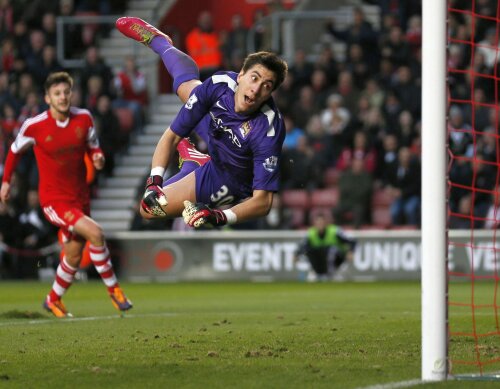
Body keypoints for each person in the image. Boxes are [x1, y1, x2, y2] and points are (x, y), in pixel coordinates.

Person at [116, 17, 288, 229]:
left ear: (270, 93)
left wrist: (219, 216)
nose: (256, 89)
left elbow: (263, 202)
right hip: (216, 131)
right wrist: (154, 181)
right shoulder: (220, 85)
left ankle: (193, 163)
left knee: (148, 210)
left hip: (227, 177)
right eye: (254, 78)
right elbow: (172, 136)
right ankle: (160, 43)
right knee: (186, 87)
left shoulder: (268, 129)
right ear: (241, 75)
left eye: (266, 86)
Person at [0, 71, 132, 318]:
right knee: (96, 233)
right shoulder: (35, 126)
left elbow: (94, 148)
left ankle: (52, 300)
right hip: (53, 200)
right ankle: (114, 290)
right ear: (47, 98)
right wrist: (6, 182)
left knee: (72, 253)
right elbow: (14, 152)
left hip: (80, 198)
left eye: (66, 92)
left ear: (71, 93)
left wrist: (98, 157)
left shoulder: (84, 119)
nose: (62, 97)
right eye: (57, 93)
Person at [295, 213, 356, 281]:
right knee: (309, 251)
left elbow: (352, 241)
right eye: (318, 222)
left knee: (331, 250)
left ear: (326, 223)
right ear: (315, 224)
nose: (320, 224)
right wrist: (296, 254)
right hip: (321, 260)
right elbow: (303, 246)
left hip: (337, 258)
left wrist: (350, 251)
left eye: (322, 222)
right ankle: (316, 272)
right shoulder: (311, 233)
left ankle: (331, 274)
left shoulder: (334, 231)